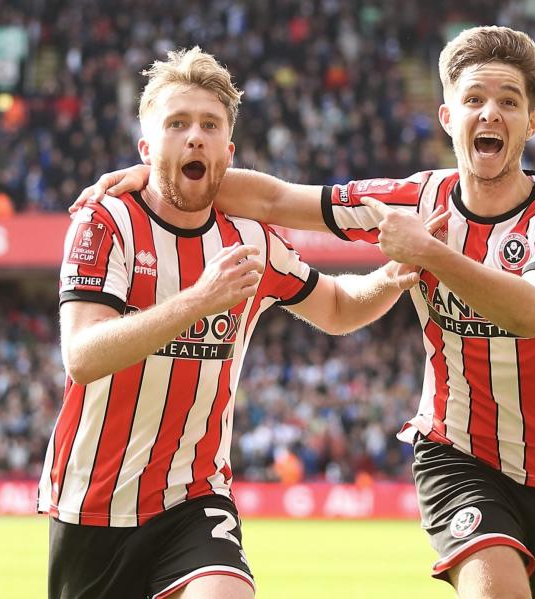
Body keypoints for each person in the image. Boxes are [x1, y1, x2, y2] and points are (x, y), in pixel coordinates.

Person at [74, 25, 535, 599]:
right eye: (474, 100)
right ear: (447, 117)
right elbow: (279, 199)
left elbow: (532, 311)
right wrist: (154, 181)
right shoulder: (410, 202)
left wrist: (426, 251)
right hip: (458, 449)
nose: (489, 114)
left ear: (532, 122)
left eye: (509, 102)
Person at [40, 47, 437, 599]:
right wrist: (199, 300)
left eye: (209, 125)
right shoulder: (104, 222)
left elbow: (340, 307)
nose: (194, 137)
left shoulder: (251, 241)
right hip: (94, 501)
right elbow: (81, 355)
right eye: (176, 124)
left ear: (229, 151)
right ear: (146, 146)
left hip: (195, 498)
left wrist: (390, 279)